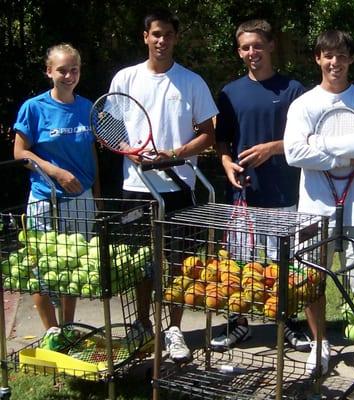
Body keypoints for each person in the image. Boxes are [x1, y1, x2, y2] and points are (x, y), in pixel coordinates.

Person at [109, 8, 218, 362]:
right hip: (136, 188)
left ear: (176, 38)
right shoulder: (125, 79)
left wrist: (174, 153)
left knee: (179, 264)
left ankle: (173, 329)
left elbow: (207, 136)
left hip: (180, 187)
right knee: (141, 262)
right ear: (145, 37)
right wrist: (132, 152)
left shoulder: (192, 82)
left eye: (168, 34)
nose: (161, 40)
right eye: (155, 34)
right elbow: (110, 131)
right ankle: (142, 325)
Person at [284, 30, 354, 378]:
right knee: (312, 281)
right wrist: (344, 154)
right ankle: (319, 344)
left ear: (350, 59)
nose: (334, 63)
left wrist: (319, 144)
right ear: (318, 59)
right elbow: (294, 152)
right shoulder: (303, 104)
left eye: (341, 56)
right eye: (328, 56)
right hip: (314, 209)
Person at [212, 19, 310, 352]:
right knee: (238, 266)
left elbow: (305, 139)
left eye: (257, 45)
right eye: (245, 47)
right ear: (239, 52)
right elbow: (221, 141)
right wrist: (226, 163)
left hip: (282, 194)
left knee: (285, 266)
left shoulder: (293, 90)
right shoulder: (229, 92)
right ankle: (239, 324)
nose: (251, 52)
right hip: (242, 197)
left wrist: (272, 148)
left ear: (270, 46)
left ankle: (290, 323)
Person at [13, 43, 100, 348]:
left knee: (72, 267)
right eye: (62, 69)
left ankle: (68, 327)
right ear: (49, 71)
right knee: (44, 267)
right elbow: (20, 153)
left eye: (74, 69)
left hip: (82, 201)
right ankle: (51, 332)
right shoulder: (33, 108)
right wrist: (56, 172)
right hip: (44, 200)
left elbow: (91, 153)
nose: (68, 75)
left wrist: (96, 195)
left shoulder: (87, 107)